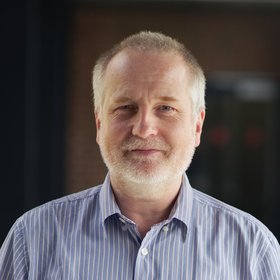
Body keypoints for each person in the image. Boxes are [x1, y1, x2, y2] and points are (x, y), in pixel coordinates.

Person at [0, 31, 279, 279]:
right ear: (100, 124)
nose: (144, 128)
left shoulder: (253, 249)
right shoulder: (32, 240)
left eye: (166, 108)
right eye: (125, 107)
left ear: (197, 125)